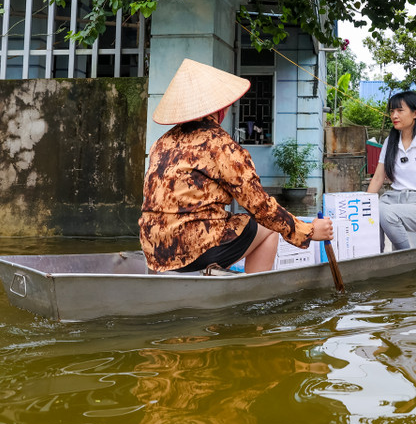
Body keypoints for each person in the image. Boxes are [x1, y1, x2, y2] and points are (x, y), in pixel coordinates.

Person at [139, 58, 333, 274]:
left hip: (153, 249)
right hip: (193, 249)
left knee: (233, 224)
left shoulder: (161, 143)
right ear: (219, 109)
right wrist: (308, 231)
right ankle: (252, 299)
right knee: (267, 228)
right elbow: (260, 207)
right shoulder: (220, 145)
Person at [366, 91, 416, 250]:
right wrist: (364, 205)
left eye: (400, 110)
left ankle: (404, 255)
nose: (394, 115)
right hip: (392, 199)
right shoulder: (390, 141)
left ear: (415, 113)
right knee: (374, 210)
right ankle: (377, 254)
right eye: (392, 111)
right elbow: (377, 179)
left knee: (384, 212)